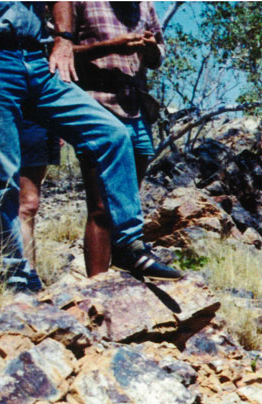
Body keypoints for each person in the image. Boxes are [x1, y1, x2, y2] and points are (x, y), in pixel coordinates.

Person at [0, 0, 180, 291]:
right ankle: (14, 277)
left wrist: (63, 39)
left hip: (36, 57)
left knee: (112, 134)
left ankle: (128, 245)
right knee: (3, 176)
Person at [67, 0, 162, 277]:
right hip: (97, 107)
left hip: (136, 108)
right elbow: (61, 51)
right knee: (101, 206)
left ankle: (122, 271)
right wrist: (111, 47)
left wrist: (150, 47)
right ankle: (97, 287)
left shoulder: (144, 5)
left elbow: (157, 57)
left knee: (125, 203)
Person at [18, 118, 59, 278]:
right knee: (24, 203)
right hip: (11, 117)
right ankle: (25, 273)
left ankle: (29, 270)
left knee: (30, 203)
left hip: (40, 120)